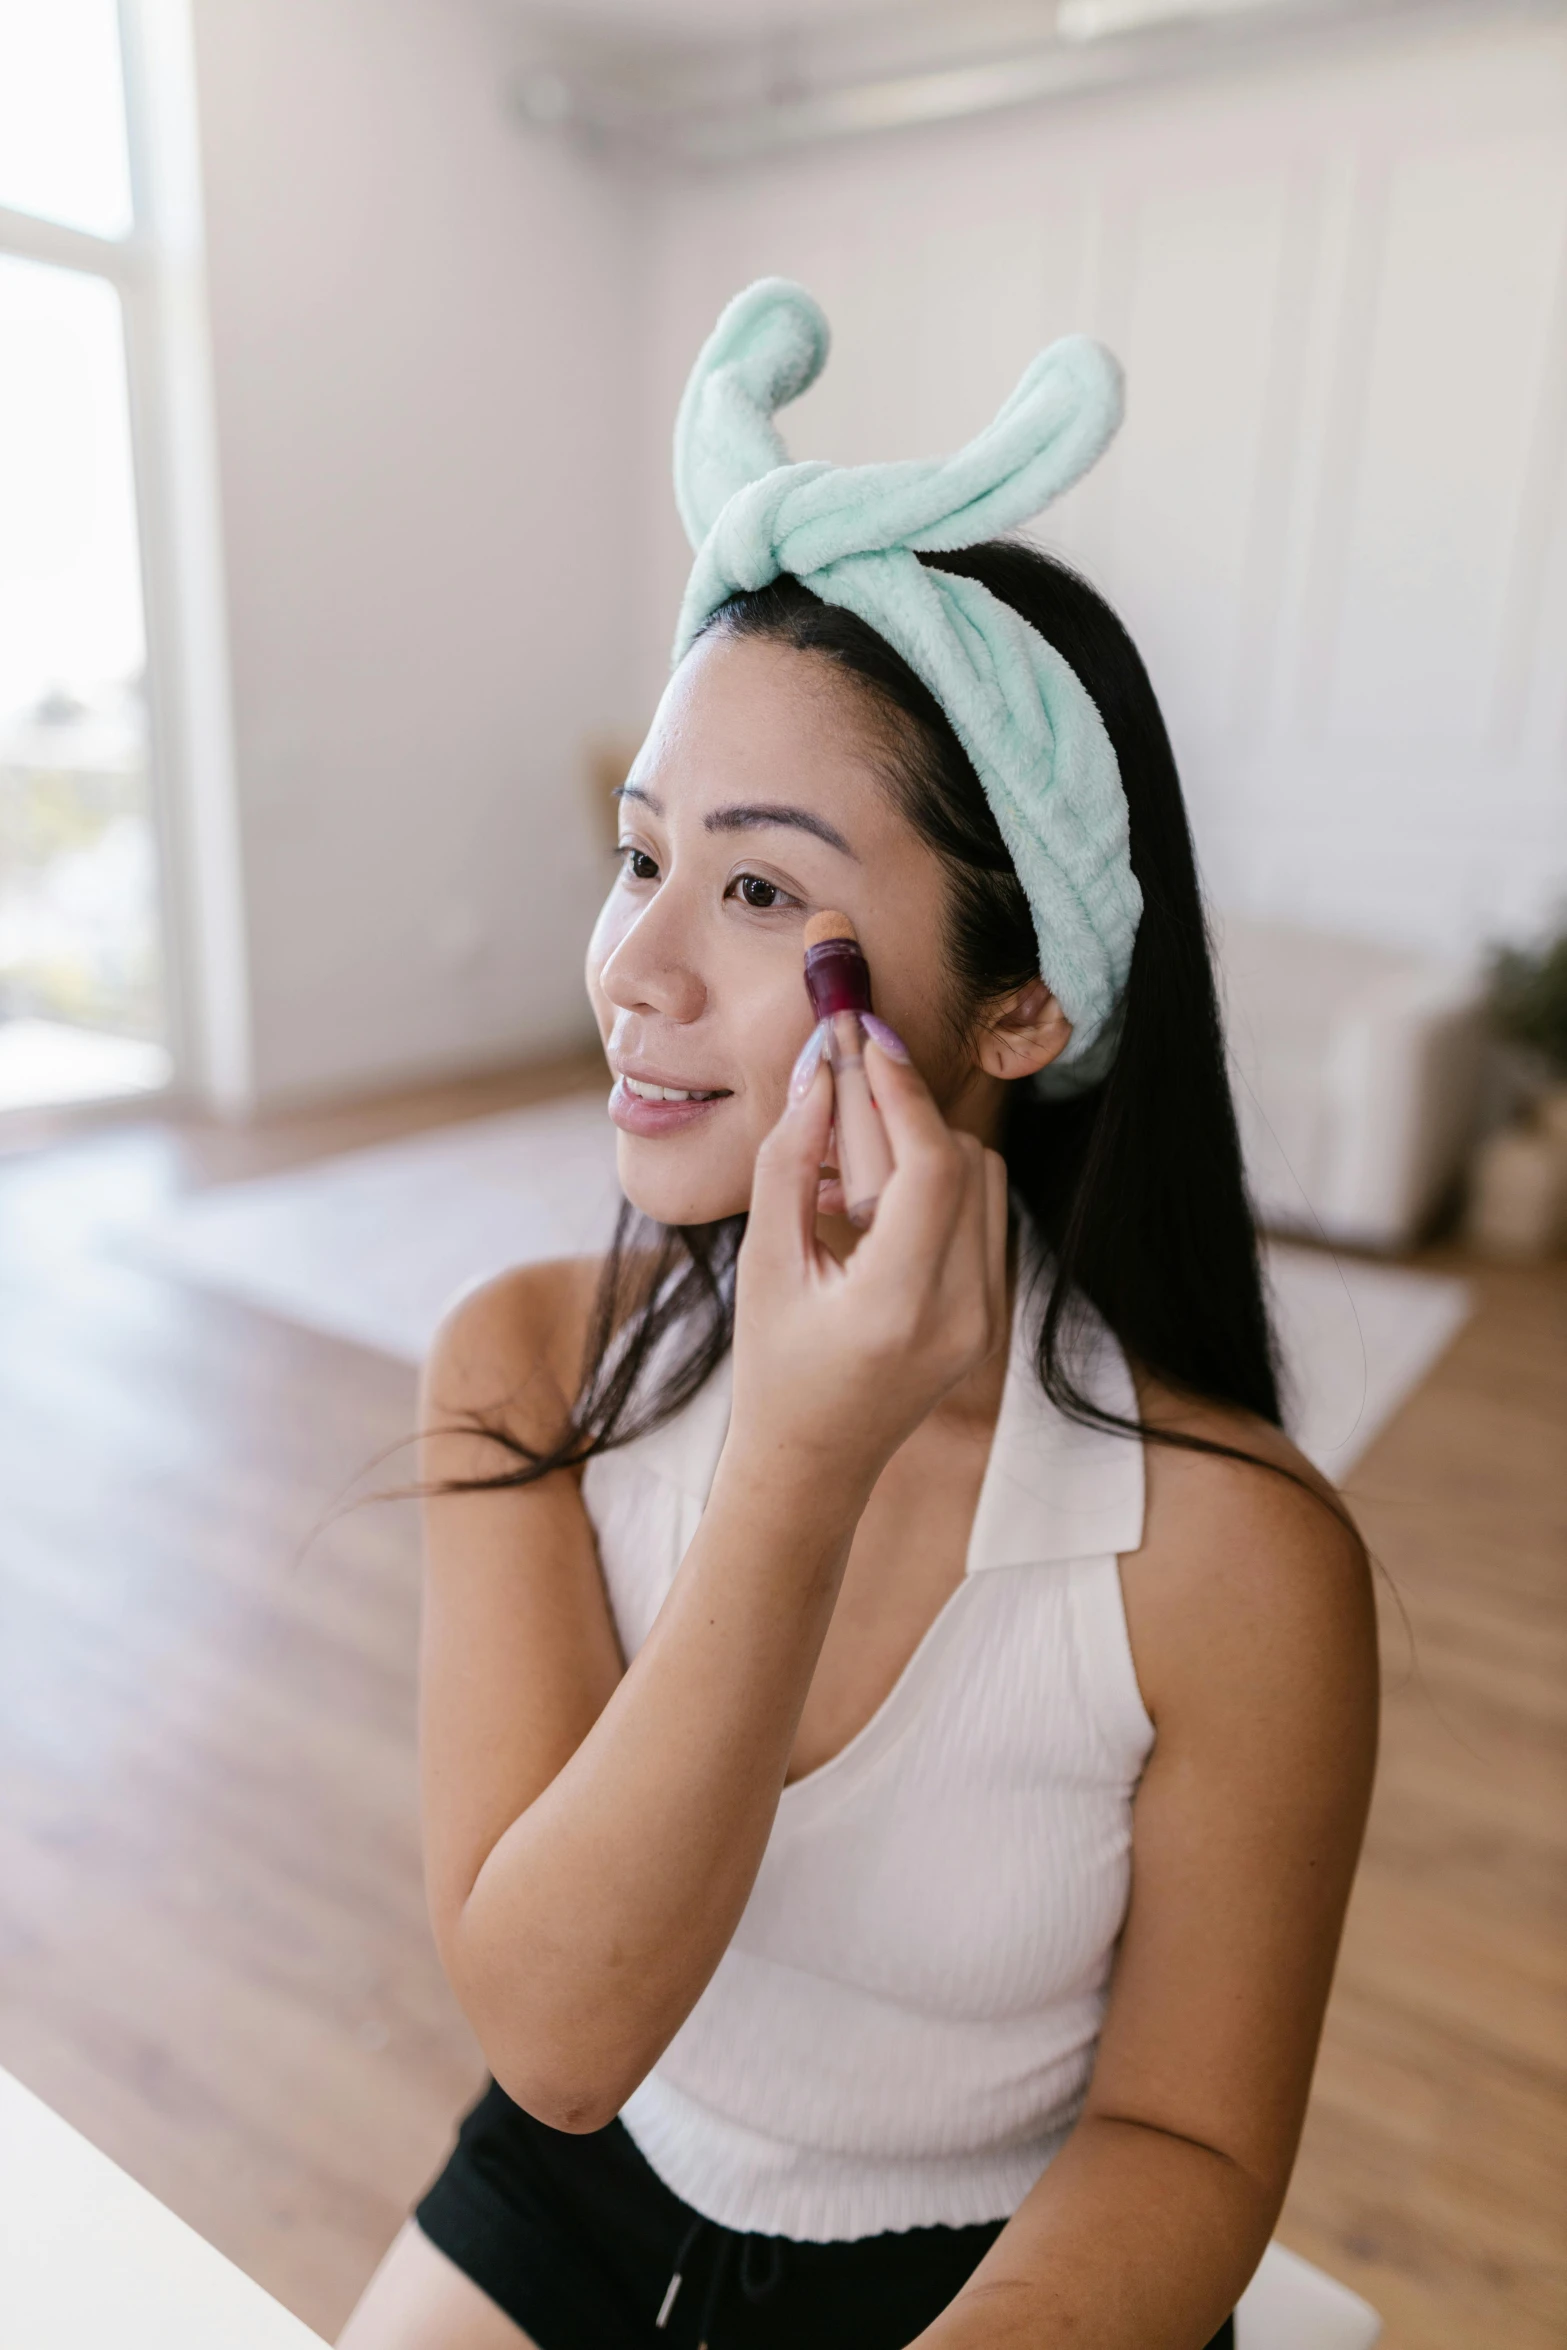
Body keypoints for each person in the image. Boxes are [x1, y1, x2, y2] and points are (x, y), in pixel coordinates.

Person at [338, 285, 1377, 2350]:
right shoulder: (522, 1370)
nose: (634, 965)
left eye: (754, 891)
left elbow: (1185, 2139)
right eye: (641, 858)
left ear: (1022, 1004)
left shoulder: (1238, 1560)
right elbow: (558, 2036)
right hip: (588, 2169)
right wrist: (799, 1453)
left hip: (985, 2272)